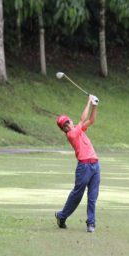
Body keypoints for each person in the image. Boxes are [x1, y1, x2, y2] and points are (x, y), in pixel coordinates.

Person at [55, 94, 100, 233]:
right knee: (77, 195)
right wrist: (88, 101)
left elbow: (91, 120)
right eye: (64, 126)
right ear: (63, 130)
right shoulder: (72, 134)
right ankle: (62, 216)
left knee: (93, 196)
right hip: (84, 167)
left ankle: (91, 223)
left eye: (67, 122)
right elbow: (83, 119)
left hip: (95, 165)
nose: (67, 126)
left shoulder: (78, 130)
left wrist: (94, 105)